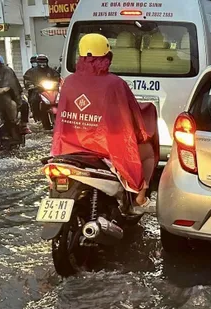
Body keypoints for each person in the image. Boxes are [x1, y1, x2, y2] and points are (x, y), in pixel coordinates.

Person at [51, 34, 156, 214]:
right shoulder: (115, 84)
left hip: (69, 149)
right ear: (108, 56)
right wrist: (142, 133)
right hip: (105, 149)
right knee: (147, 152)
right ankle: (139, 198)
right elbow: (130, 115)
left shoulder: (69, 81)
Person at [25, 54, 60, 123]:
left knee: (61, 99)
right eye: (40, 61)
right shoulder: (31, 72)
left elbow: (57, 77)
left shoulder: (52, 71)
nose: (42, 63)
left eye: (44, 61)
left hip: (51, 90)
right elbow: (27, 79)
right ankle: (37, 116)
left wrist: (57, 82)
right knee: (34, 100)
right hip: (38, 90)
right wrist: (31, 85)